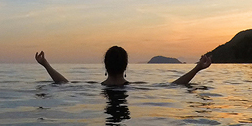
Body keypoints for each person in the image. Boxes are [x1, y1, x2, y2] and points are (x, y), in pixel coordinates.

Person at [34, 46, 212, 86]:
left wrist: (46, 65)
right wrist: (197, 68)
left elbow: (64, 83)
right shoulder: (137, 88)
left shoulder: (93, 87)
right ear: (126, 66)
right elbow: (174, 86)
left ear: (105, 65)